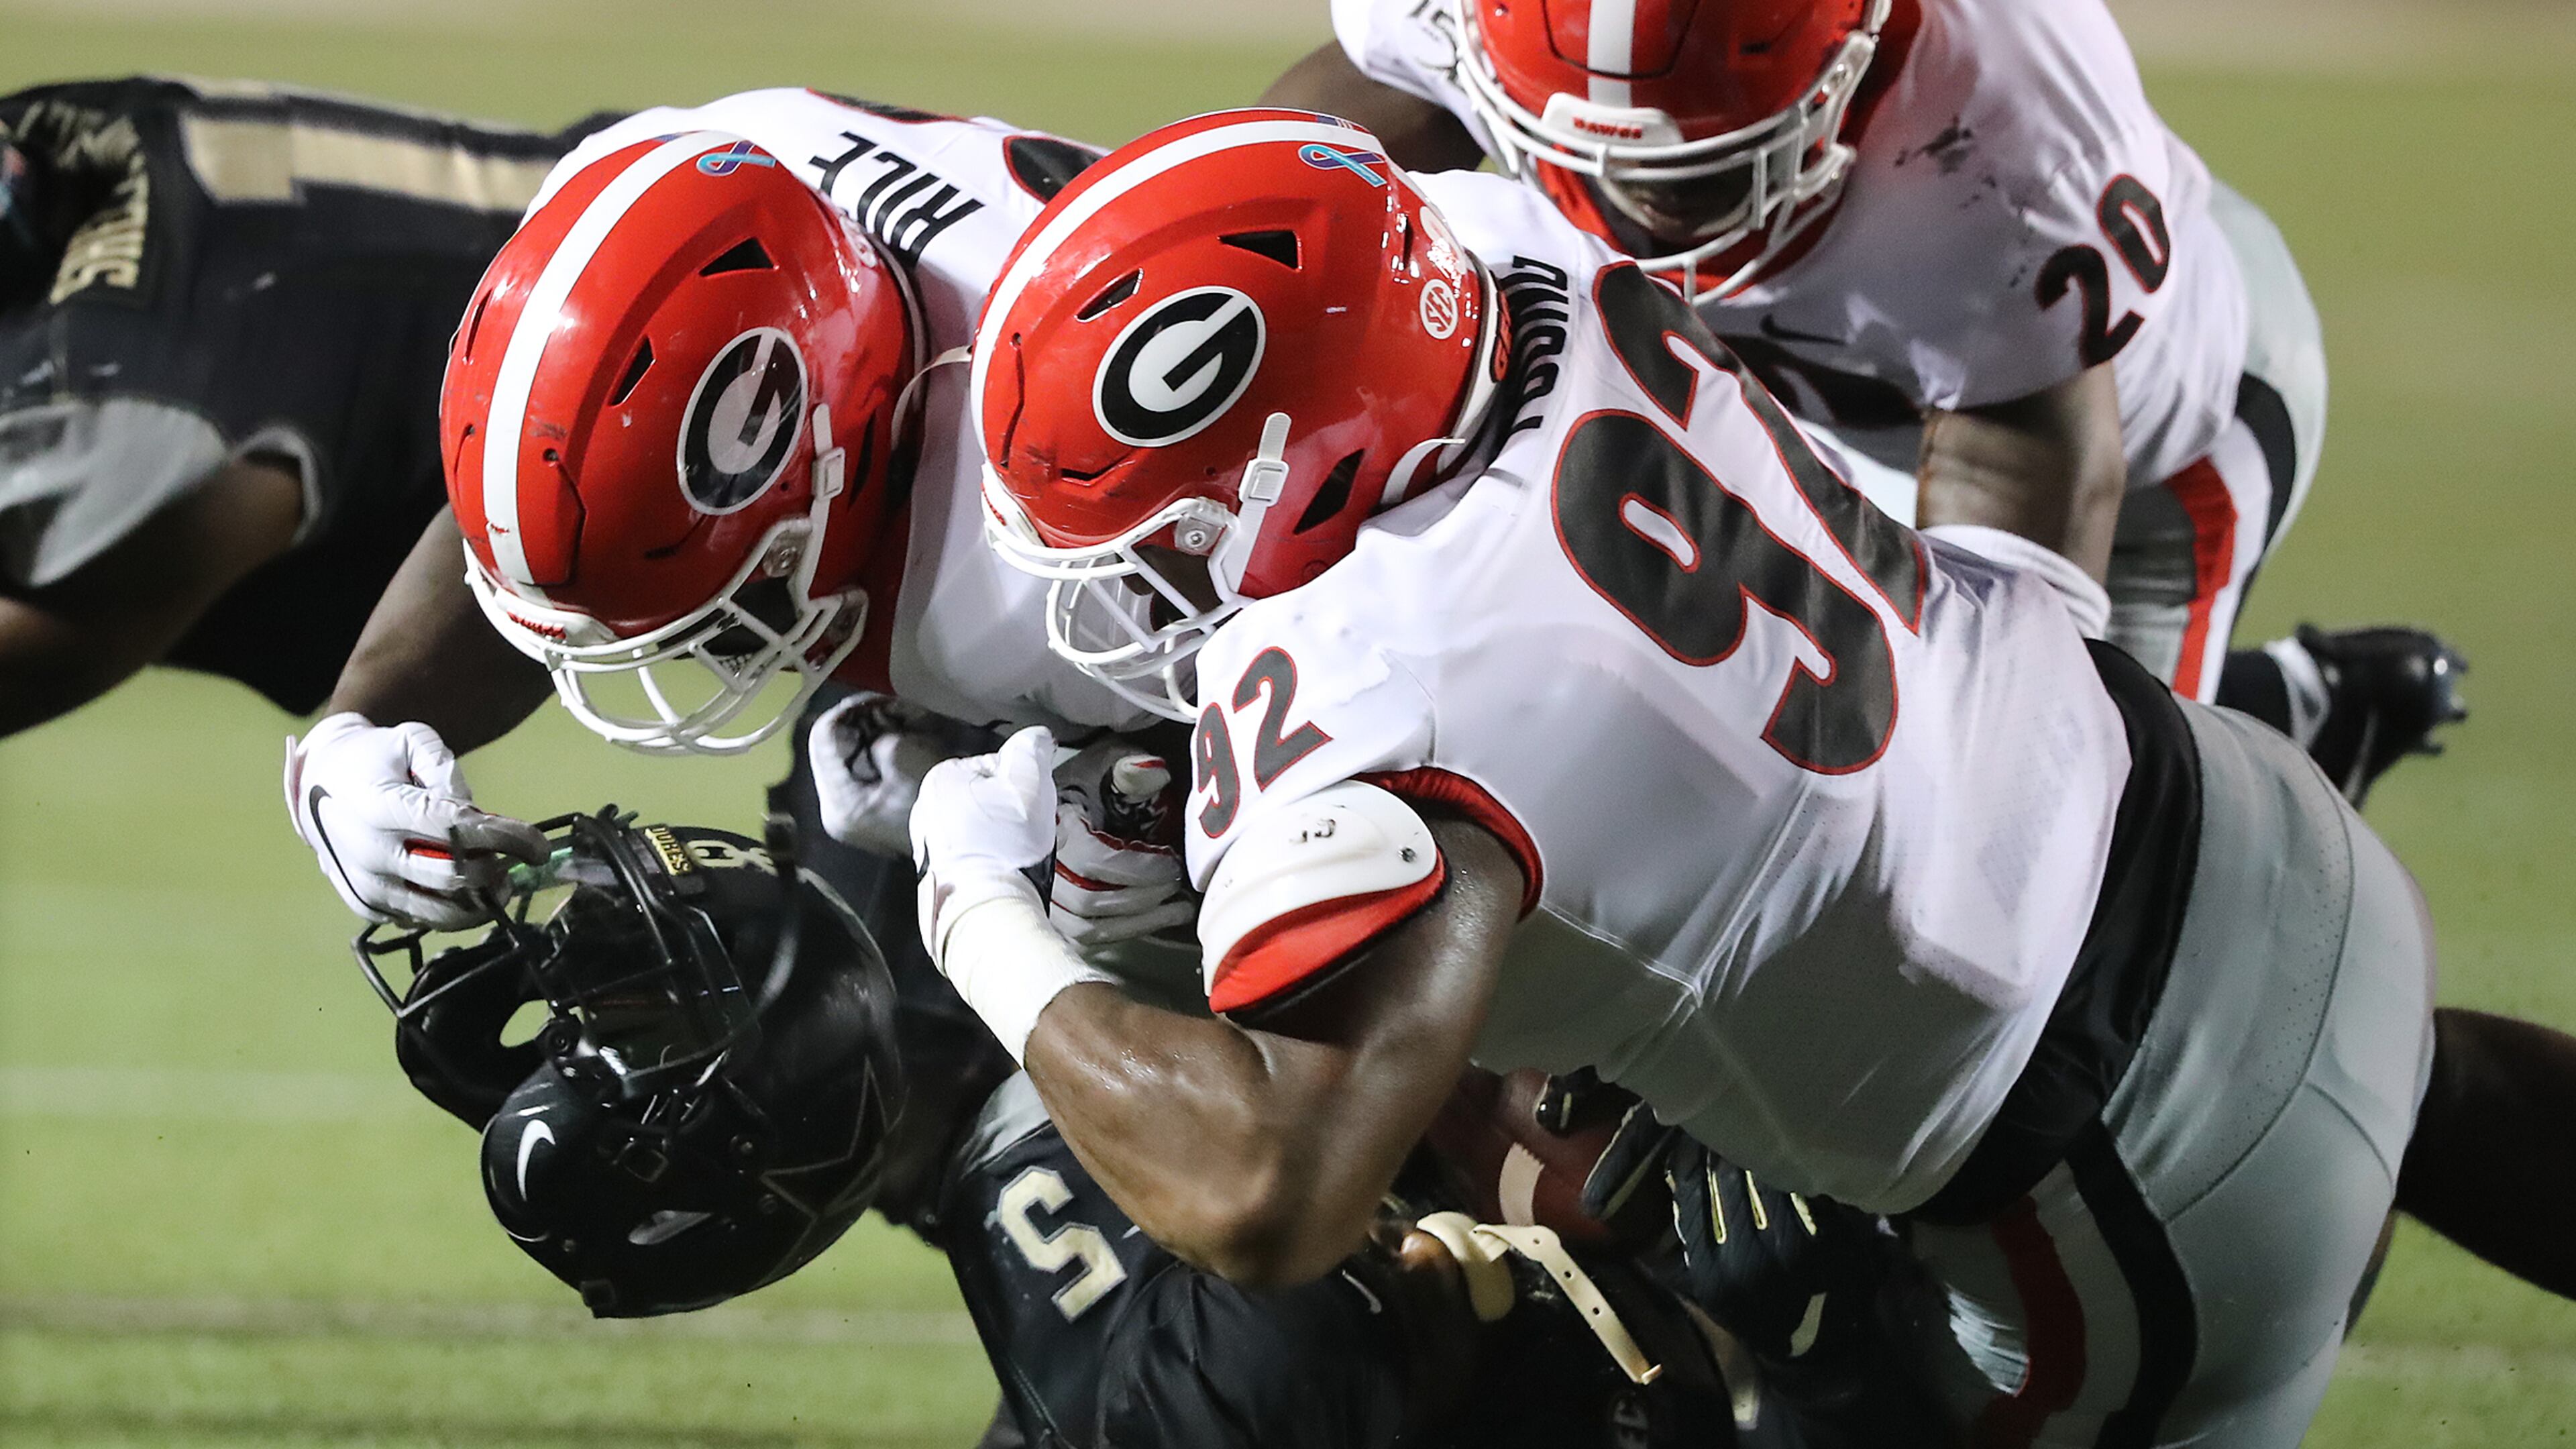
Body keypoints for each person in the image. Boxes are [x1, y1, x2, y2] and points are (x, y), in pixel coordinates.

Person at [900, 109, 2438, 1446]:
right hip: (2227, 807)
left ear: (1282, 469)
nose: (1145, 584)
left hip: (2132, 1159)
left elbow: (1270, 1187)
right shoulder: (1516, 245)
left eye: (1160, 533)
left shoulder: (1371, 688)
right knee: (2434, 1088)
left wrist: (977, 912)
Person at [1257, 0, 2465, 806]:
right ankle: (2282, 705)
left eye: (1703, 169)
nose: (1629, 206)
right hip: (1807, 411)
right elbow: (1343, 129)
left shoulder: (2015, 132)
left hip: (2139, 452)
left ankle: (2259, 741)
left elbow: (2018, 554)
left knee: (2072, 853)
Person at [370, 802, 1772, 1448]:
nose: (652, 959)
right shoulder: (1146, 1374)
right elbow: (1294, 1235)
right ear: (761, 1127)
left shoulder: (912, 996)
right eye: (647, 1029)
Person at [0, 76, 592, 736]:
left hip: (661, 424)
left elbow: (72, 635)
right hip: (651, 217)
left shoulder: (123, 396)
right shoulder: (67, 139)